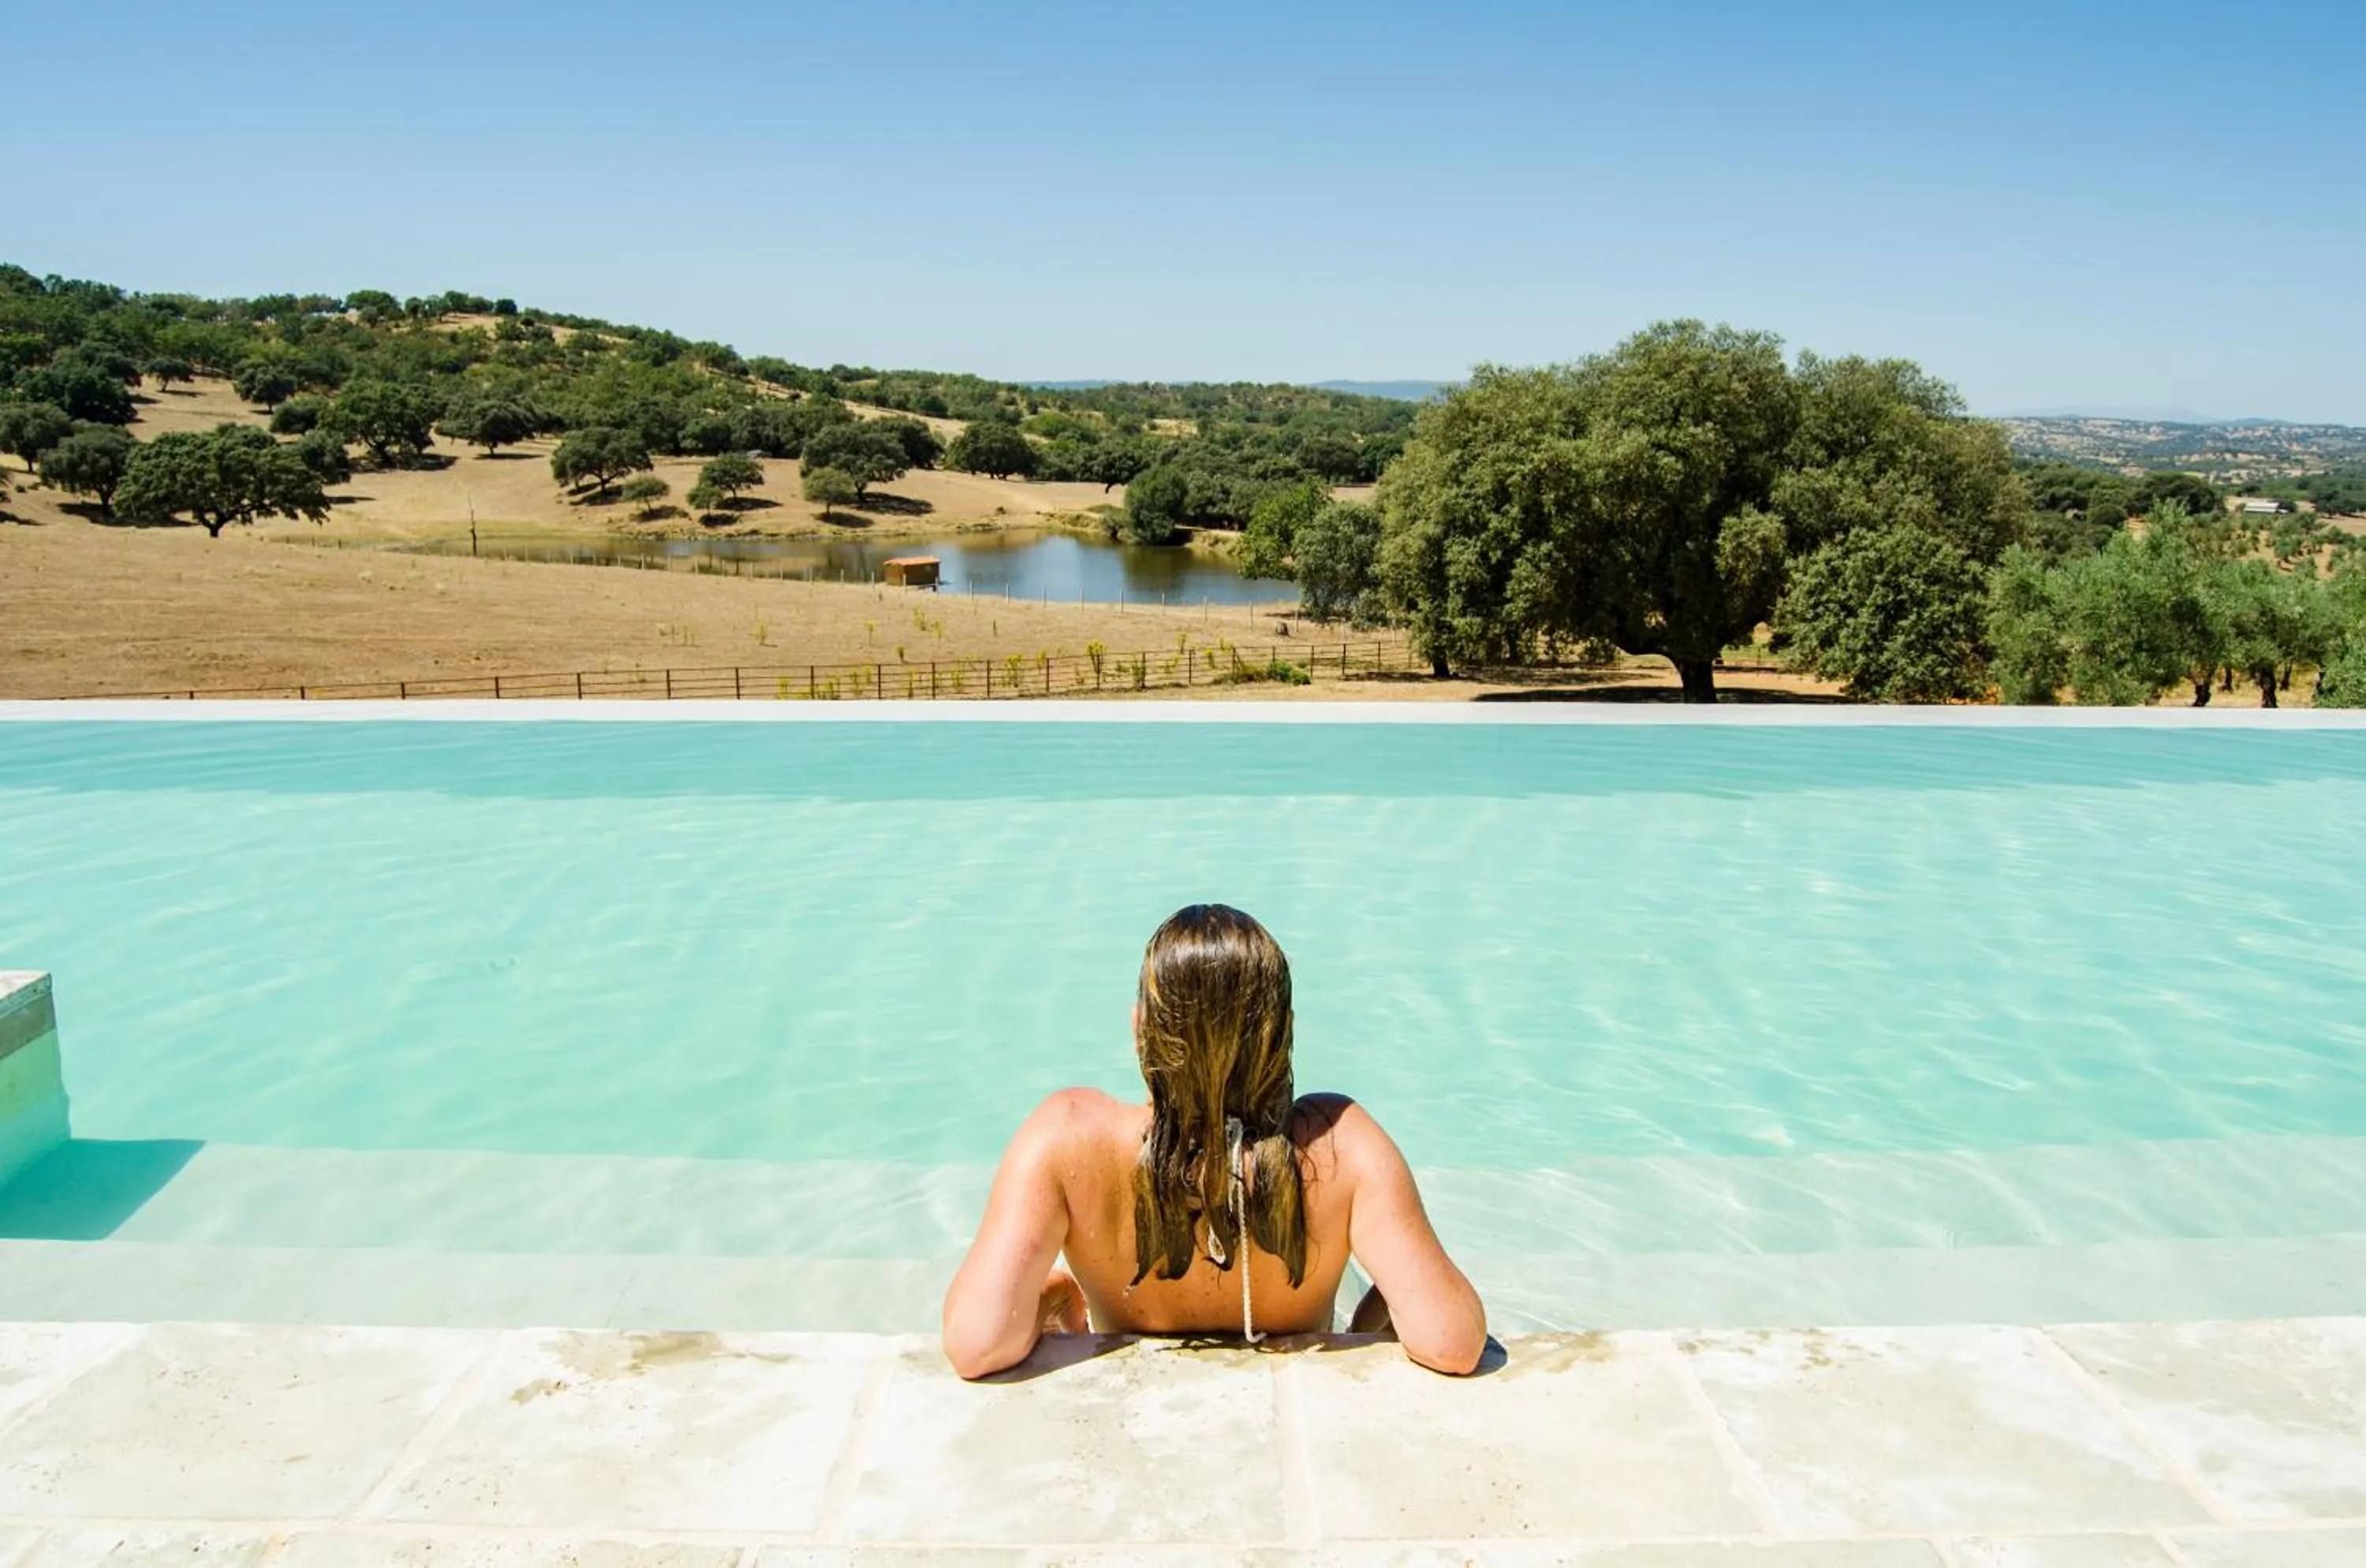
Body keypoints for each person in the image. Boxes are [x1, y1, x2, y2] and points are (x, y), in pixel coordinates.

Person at [942, 903, 1486, 1379]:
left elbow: (976, 1345)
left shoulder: (1068, 1138)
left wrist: (1055, 1295)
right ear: (1284, 1031)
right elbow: (1451, 1343)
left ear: (1140, 1029)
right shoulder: (1341, 1144)